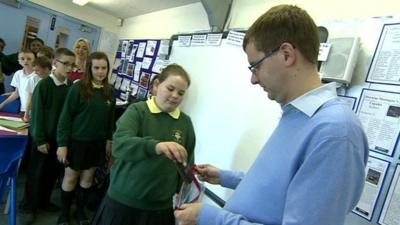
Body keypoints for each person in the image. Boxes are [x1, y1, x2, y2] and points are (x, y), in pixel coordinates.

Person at [174, 5, 369, 225]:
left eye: (255, 67)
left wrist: (209, 218)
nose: (253, 79)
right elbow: (279, 186)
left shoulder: (335, 132)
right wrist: (225, 177)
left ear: (286, 55)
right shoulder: (297, 116)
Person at [91, 63, 196, 225]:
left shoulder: (185, 123)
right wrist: (156, 146)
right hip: (123, 202)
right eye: (170, 88)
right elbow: (120, 144)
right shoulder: (137, 111)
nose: (175, 95)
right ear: (156, 85)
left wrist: (191, 174)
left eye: (181, 93)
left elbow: (186, 164)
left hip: (159, 208)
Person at [56, 52, 115, 225]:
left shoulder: (109, 91)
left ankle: (80, 211)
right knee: (71, 178)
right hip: (77, 142)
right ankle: (64, 213)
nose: (100, 71)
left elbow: (110, 120)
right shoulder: (78, 87)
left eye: (104, 68)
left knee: (87, 179)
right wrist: (62, 144)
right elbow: (65, 117)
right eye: (96, 67)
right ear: (89, 68)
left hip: (97, 144)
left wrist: (108, 141)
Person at [18, 48, 75, 225]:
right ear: (55, 63)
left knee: (51, 173)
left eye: (72, 65)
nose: (69, 68)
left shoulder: (70, 87)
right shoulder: (44, 85)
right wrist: (40, 139)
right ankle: (28, 207)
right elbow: (38, 115)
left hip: (59, 141)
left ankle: (44, 202)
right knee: (36, 173)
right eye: (66, 64)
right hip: (43, 139)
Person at [0, 48, 35, 113]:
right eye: (22, 59)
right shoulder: (18, 73)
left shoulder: (37, 75)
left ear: (34, 60)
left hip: (35, 110)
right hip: (23, 109)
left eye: (29, 59)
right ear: (18, 60)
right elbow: (17, 93)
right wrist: (2, 104)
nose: (25, 61)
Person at [23, 56, 52, 122]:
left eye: (37, 70)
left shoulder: (54, 79)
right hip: (36, 112)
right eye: (34, 70)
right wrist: (26, 115)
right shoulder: (33, 79)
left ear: (46, 69)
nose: (35, 73)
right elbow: (30, 98)